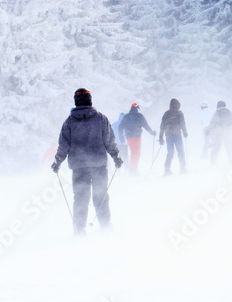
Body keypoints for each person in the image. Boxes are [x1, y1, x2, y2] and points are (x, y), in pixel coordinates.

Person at [52, 88, 122, 235]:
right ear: (90, 100)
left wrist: (57, 161)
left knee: (80, 198)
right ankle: (106, 226)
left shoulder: (69, 122)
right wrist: (116, 156)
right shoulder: (101, 118)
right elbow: (109, 140)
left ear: (76, 102)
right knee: (101, 194)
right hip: (98, 165)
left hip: (79, 166)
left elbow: (64, 144)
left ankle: (79, 230)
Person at [119, 103, 156, 174]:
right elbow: (146, 126)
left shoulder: (126, 116)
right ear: (137, 108)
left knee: (133, 153)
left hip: (129, 137)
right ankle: (133, 170)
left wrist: (121, 136)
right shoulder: (140, 116)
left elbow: (120, 127)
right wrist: (152, 133)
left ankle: (132, 169)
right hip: (137, 137)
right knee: (137, 153)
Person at [158, 98, 189, 176]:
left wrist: (161, 137)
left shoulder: (166, 114)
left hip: (168, 136)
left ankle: (167, 170)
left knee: (170, 153)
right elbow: (182, 124)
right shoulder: (179, 113)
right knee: (181, 152)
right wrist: (185, 132)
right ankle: (182, 168)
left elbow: (162, 126)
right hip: (177, 135)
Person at [207, 100, 232, 167]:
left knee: (216, 148)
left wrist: (208, 130)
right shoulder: (229, 112)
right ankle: (231, 161)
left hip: (219, 133)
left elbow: (212, 123)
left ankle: (213, 163)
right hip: (228, 133)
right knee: (229, 148)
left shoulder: (217, 113)